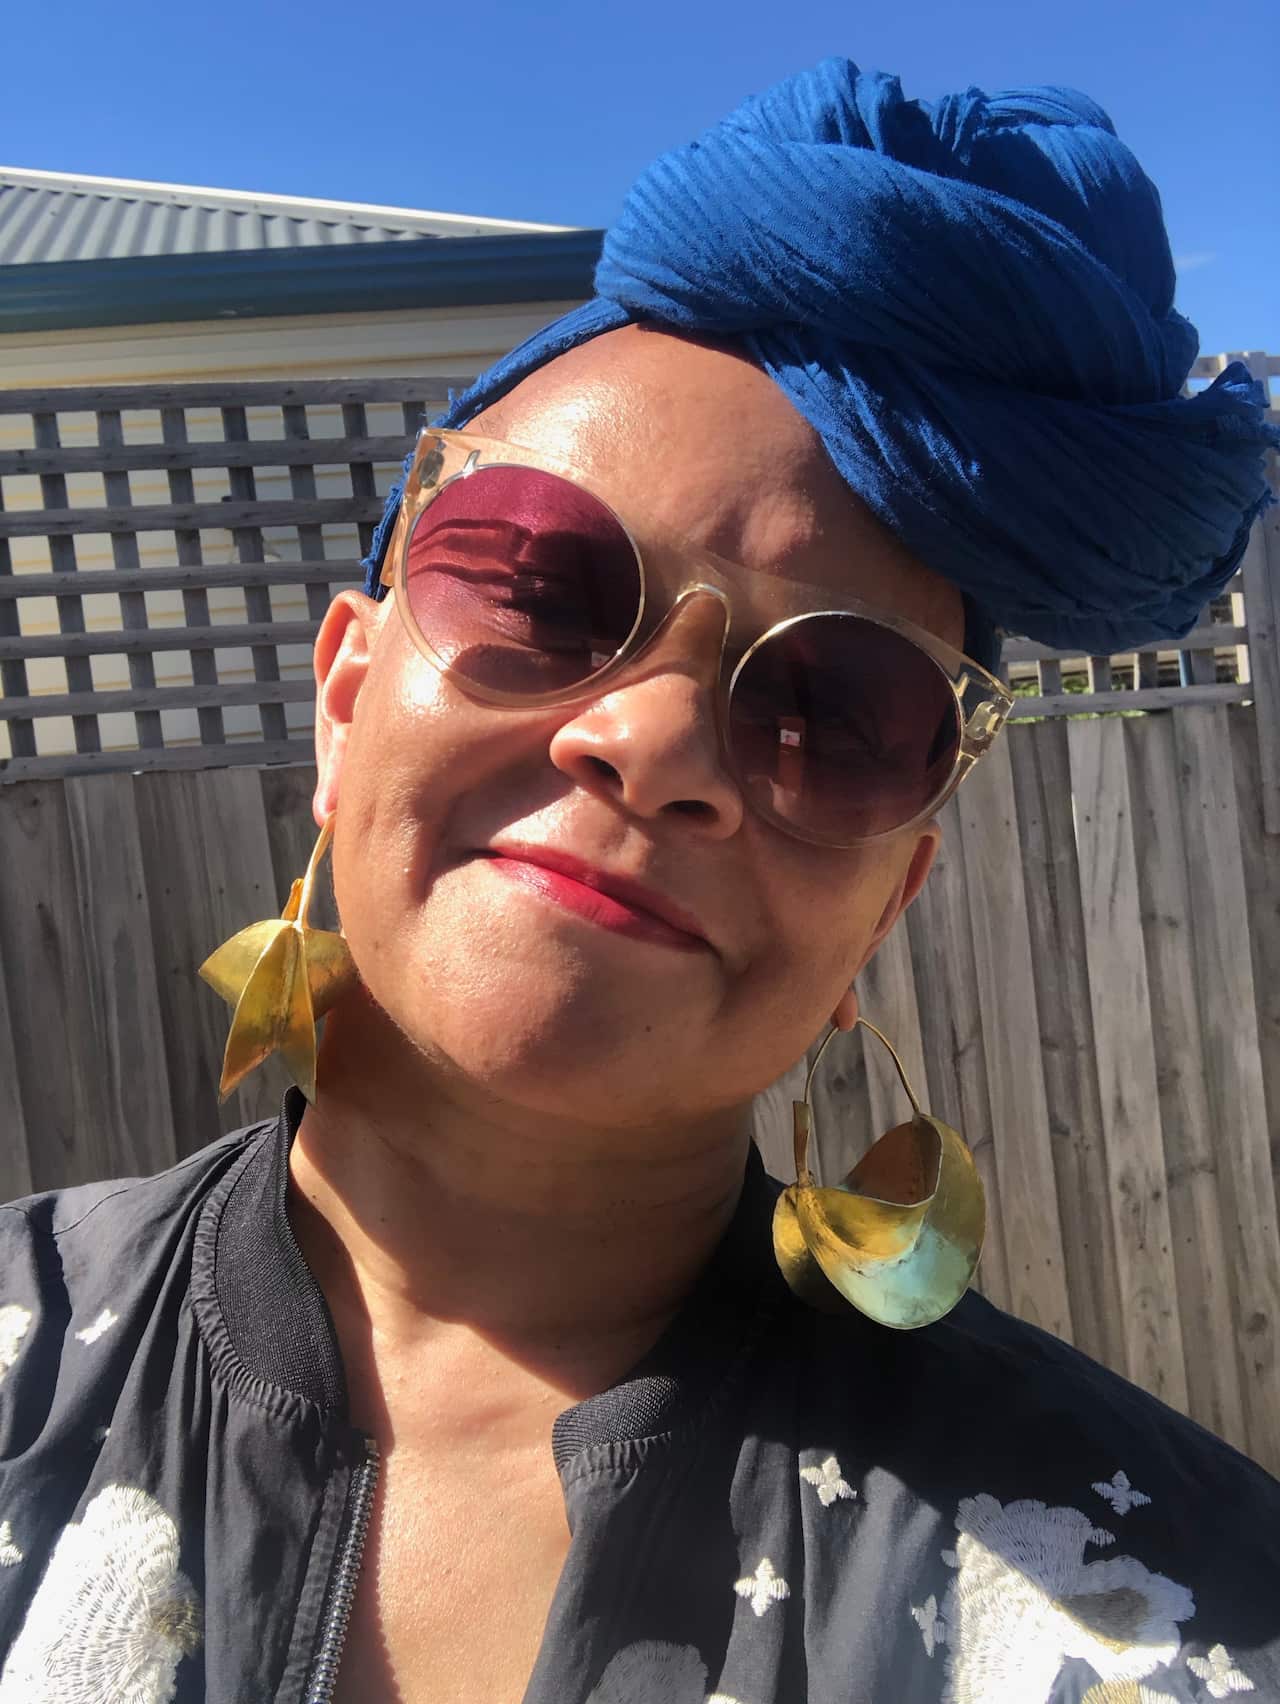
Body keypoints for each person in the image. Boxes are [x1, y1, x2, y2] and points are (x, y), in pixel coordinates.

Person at [0, 58, 1277, 1704]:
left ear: (887, 905)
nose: (653, 742)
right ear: (341, 699)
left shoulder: (1167, 1610)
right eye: (537, 581)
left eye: (839, 710)